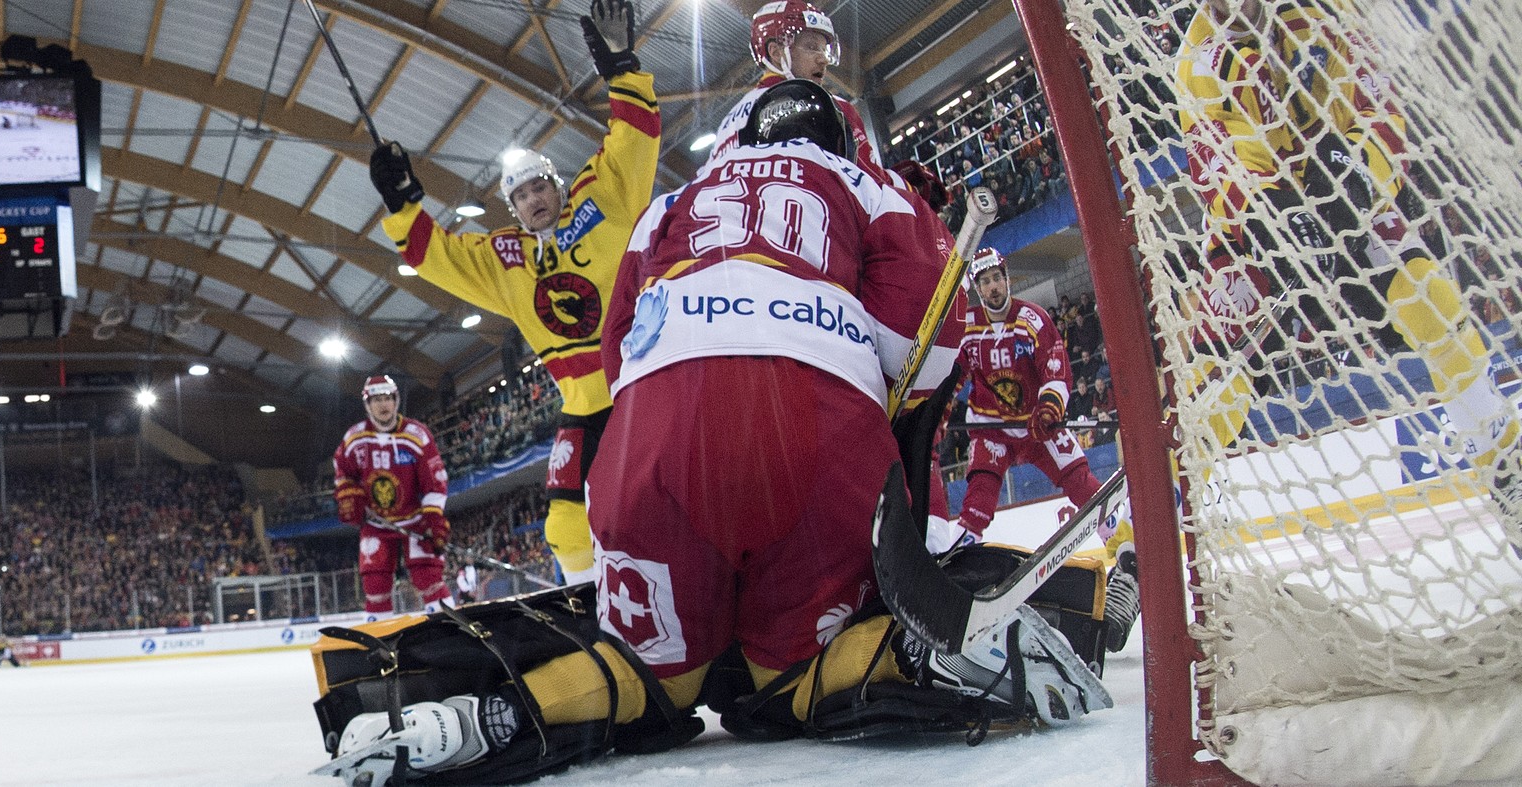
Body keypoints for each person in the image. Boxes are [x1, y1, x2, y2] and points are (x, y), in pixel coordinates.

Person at [318, 80, 1111, 787]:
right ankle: (914, 658)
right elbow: (932, 337)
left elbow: (617, 344)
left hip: (650, 428)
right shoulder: (864, 182)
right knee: (787, 673)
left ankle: (487, 715)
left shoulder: (671, 203)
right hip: (814, 425)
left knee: (650, 675)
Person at [1176, 0, 1521, 541]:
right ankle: (1159, 526)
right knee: (1212, 380)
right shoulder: (1194, 62)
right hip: (1258, 228)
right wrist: (1266, 214)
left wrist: (1356, 178)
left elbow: (1382, 115)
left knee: (1431, 301)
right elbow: (1212, 171)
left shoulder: (1329, 11)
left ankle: (1506, 472)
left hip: (1345, 188)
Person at [369, 0, 659, 584]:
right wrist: (402, 205)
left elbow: (634, 140)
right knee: (565, 528)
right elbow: (438, 257)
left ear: (556, 185)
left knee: (660, 505)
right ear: (512, 207)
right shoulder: (507, 261)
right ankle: (584, 607)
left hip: (640, 389)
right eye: (520, 195)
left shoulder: (606, 204)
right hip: (580, 407)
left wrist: (623, 68)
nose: (533, 199)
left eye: (539, 186)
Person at [926, 248, 1138, 652]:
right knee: (977, 504)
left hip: (1037, 426)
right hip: (992, 429)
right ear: (977, 287)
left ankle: (1126, 545)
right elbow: (951, 380)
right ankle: (955, 567)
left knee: (1086, 488)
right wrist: (939, 417)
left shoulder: (1032, 319)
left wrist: (1049, 407)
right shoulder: (967, 329)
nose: (993, 287)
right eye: (985, 281)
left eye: (998, 278)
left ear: (1008, 278)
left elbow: (1056, 364)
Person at [697, 1, 896, 187]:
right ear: (776, 52)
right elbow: (873, 183)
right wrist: (909, 187)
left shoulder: (728, 124)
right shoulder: (830, 106)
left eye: (823, 49)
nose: (823, 60)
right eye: (811, 47)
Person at [333, 376, 453, 621]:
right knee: (375, 585)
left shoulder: (416, 434)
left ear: (396, 401)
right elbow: (342, 471)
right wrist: (348, 493)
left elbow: (436, 480)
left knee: (428, 578)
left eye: (388, 398)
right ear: (367, 404)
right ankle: (381, 645)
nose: (383, 405)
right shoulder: (354, 438)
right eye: (377, 399)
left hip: (415, 520)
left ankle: (452, 630)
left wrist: (433, 519)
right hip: (376, 524)